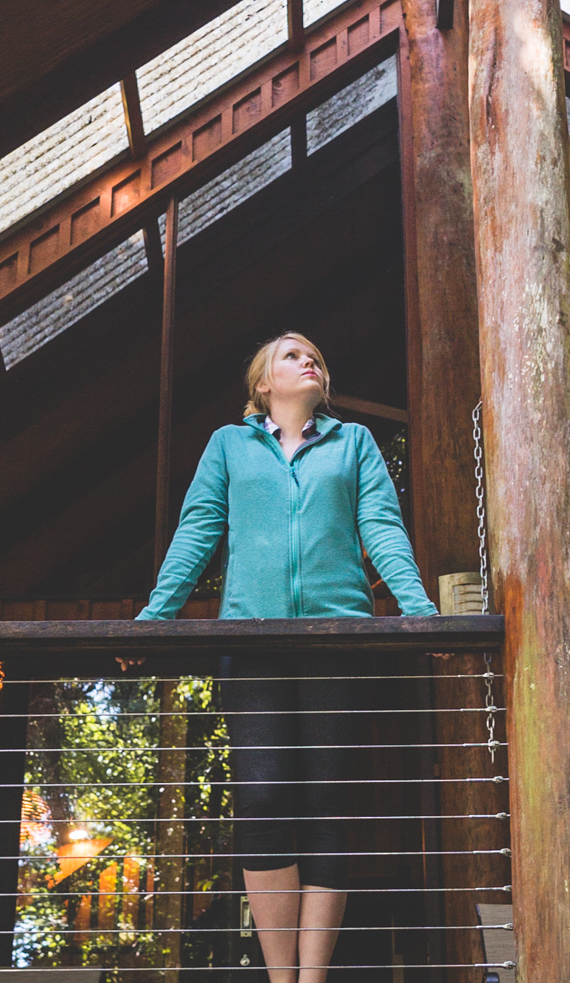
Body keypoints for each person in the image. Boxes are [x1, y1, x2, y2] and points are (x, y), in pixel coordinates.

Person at [138, 332, 435, 983]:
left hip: (338, 642)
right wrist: (155, 618)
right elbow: (198, 530)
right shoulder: (228, 446)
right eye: (293, 355)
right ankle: (281, 979)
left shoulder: (354, 444)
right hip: (253, 641)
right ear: (263, 384)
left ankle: (313, 977)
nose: (311, 362)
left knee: (327, 803)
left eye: (318, 358)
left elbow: (382, 531)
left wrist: (420, 611)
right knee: (265, 797)